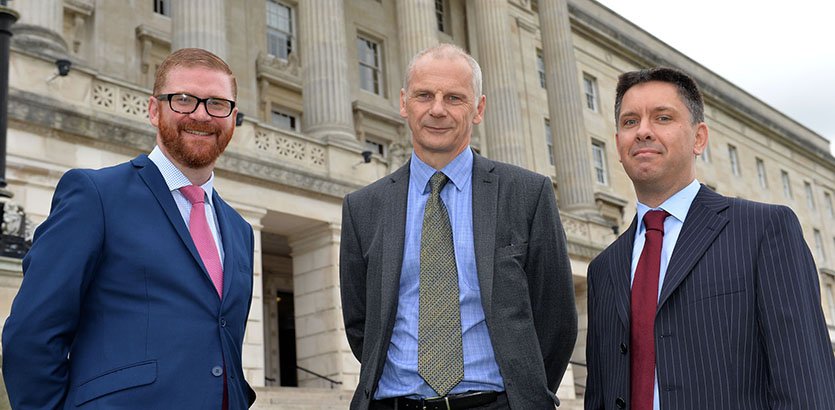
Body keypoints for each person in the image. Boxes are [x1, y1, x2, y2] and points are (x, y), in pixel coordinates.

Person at [2, 48, 257, 409]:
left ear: (233, 118)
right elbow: (32, 334)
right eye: (183, 99)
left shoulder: (239, 229)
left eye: (217, 103)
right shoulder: (96, 196)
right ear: (154, 110)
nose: (201, 114)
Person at [339, 43, 577, 410]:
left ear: (478, 108)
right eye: (424, 95)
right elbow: (361, 326)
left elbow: (556, 319)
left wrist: (526, 395)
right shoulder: (363, 207)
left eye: (454, 98)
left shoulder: (528, 194)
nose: (437, 109)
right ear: (404, 103)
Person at [585, 67, 835, 410]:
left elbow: (807, 385)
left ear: (699, 138)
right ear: (618, 144)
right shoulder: (603, 268)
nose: (643, 131)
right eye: (630, 122)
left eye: (662, 118)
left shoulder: (764, 230)